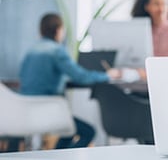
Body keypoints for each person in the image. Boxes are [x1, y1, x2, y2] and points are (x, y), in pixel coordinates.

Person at [19, 13, 121, 149]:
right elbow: (81, 77)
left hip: (26, 109)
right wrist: (108, 76)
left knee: (68, 133)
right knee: (88, 132)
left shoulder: (30, 51)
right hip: (48, 109)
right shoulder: (57, 51)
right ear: (58, 30)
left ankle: (56, 157)